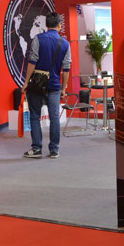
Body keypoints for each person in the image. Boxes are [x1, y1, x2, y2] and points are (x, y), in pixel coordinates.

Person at [20, 12, 71, 159]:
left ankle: (36, 149)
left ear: (46, 25)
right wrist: (63, 88)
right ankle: (54, 150)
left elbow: (32, 62)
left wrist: (26, 82)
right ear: (59, 25)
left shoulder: (38, 38)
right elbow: (66, 69)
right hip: (54, 85)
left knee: (35, 116)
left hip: (37, 84)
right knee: (54, 117)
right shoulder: (65, 44)